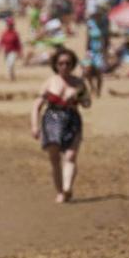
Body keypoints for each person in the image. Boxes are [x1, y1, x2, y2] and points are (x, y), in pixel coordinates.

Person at [30, 48, 91, 203]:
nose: (64, 66)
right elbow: (37, 105)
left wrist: (79, 96)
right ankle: (60, 191)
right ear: (56, 65)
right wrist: (34, 126)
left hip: (72, 119)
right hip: (52, 120)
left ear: (72, 65)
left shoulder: (79, 83)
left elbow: (87, 104)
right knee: (55, 159)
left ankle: (67, 187)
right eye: (61, 63)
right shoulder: (50, 82)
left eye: (68, 63)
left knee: (71, 156)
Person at [0, 17, 22, 81]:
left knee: (11, 63)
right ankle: (12, 76)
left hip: (13, 51)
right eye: (9, 25)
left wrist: (20, 52)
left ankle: (9, 76)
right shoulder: (4, 33)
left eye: (11, 25)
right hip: (6, 51)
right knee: (8, 64)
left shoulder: (15, 34)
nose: (10, 26)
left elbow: (18, 44)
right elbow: (1, 41)